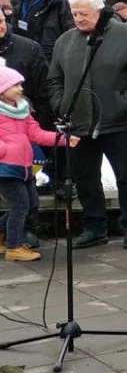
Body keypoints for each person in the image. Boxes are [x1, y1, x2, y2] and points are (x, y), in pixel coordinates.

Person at [48, 0, 127, 250]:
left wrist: (121, 104)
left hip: (119, 122)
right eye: (74, 14)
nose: (78, 19)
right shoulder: (65, 41)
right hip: (79, 123)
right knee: (85, 178)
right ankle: (94, 227)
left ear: (99, 11)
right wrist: (62, 105)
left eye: (84, 14)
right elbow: (55, 80)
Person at [0, 62, 70, 262]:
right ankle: (14, 246)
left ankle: (3, 234)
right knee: (20, 206)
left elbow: (37, 134)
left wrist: (64, 139)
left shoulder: (22, 110)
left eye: (21, 84)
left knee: (31, 204)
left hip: (24, 168)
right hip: (5, 170)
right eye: (15, 85)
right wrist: (5, 151)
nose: (21, 89)